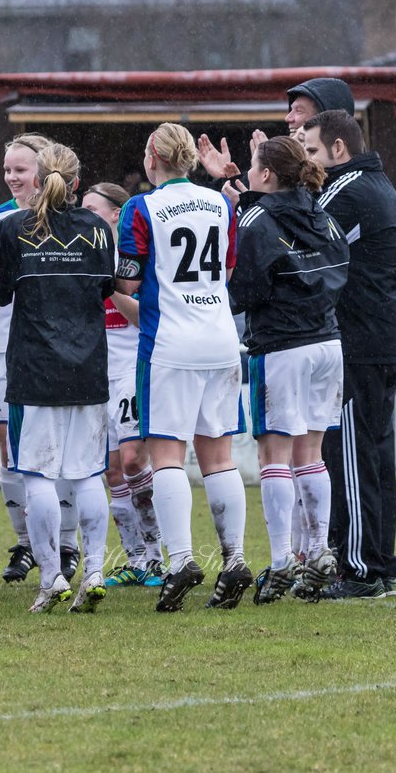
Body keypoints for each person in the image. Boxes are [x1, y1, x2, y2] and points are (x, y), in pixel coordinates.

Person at [116, 123, 248, 613]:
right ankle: (234, 559)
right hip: (219, 339)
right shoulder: (220, 204)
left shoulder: (141, 207)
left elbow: (127, 284)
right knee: (219, 456)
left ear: (153, 156)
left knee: (167, 455)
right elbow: (228, 272)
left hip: (170, 342)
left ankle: (181, 561)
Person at [0, 143, 116, 613]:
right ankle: (96, 569)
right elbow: (104, 289)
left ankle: (51, 577)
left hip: (33, 368)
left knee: (36, 474)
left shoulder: (13, 228)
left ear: (39, 180)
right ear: (77, 183)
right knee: (86, 476)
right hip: (87, 366)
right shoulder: (98, 229)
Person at [223, 136, 349, 604]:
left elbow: (244, 290)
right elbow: (338, 269)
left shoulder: (259, 219)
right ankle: (316, 551)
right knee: (311, 454)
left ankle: (278, 564)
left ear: (267, 175)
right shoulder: (320, 212)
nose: (251, 174)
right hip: (328, 342)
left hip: (281, 346)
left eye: (254, 166)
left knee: (273, 457)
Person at [302, 109, 396, 599]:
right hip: (382, 340)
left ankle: (361, 569)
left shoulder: (348, 189)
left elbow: (299, 232)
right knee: (375, 459)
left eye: (312, 152)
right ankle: (380, 563)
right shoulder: (380, 184)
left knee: (352, 459)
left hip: (358, 344)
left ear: (338, 149)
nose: (308, 164)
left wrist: (253, 191)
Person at [80, 182, 165, 589]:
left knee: (134, 461)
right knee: (112, 470)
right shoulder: (81, 254)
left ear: (116, 214)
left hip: (132, 368)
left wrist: (110, 287)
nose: (86, 215)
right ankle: (134, 560)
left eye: (94, 209)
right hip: (98, 373)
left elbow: (141, 316)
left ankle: (158, 556)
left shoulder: (130, 259)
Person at [0, 133, 52, 585]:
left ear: (44, 172)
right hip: (5, 349)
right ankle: (26, 543)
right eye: (7, 169)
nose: (12, 177)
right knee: (9, 450)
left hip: (53, 349)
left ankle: (63, 546)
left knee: (54, 452)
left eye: (20, 169)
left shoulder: (66, 222)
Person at [197, 77, 355, 184]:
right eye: (290, 110)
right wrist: (228, 179)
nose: (288, 118)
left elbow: (288, 222)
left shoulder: (346, 187)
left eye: (299, 111)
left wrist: (273, 169)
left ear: (326, 120)